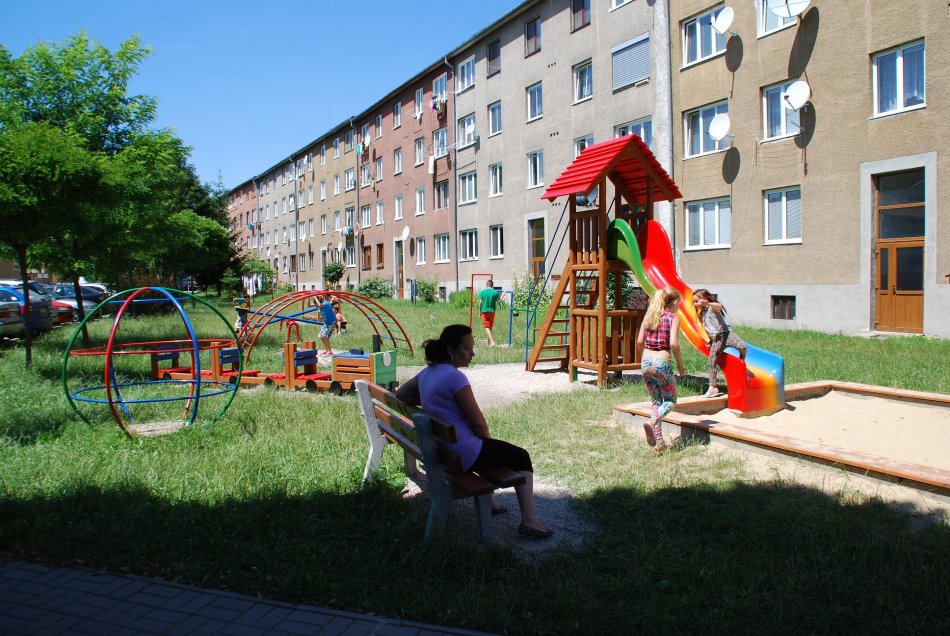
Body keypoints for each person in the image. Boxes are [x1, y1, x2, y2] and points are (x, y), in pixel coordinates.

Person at [396, 324, 552, 539]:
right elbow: (478, 424)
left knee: (493, 451)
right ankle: (529, 521)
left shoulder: (427, 373)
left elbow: (401, 395)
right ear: (450, 350)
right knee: (520, 456)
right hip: (463, 455)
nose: (472, 354)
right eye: (467, 349)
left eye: (472, 348)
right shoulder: (455, 377)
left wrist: (434, 399)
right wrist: (488, 444)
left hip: (445, 451)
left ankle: (491, 504)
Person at [635, 287, 686, 452]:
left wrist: (645, 359)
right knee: (670, 401)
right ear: (673, 302)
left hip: (646, 361)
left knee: (656, 402)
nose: (679, 305)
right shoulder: (673, 318)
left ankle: (659, 442)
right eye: (679, 302)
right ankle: (651, 422)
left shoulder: (649, 316)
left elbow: (639, 342)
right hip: (662, 362)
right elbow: (673, 344)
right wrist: (681, 366)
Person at [693, 288, 748, 398]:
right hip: (717, 339)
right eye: (694, 302)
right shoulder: (701, 313)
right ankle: (713, 387)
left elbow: (719, 306)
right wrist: (710, 341)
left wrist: (708, 303)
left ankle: (742, 365)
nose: (695, 304)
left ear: (704, 299)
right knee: (711, 361)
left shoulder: (711, 308)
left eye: (697, 301)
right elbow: (709, 329)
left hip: (726, 334)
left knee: (742, 347)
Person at [476, 279, 501, 347]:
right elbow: (499, 302)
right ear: (492, 285)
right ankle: (489, 343)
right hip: (492, 311)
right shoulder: (495, 292)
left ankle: (492, 342)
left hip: (484, 311)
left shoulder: (482, 292)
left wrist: (480, 312)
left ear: (486, 285)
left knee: (486, 327)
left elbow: (480, 303)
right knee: (490, 326)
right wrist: (503, 296)